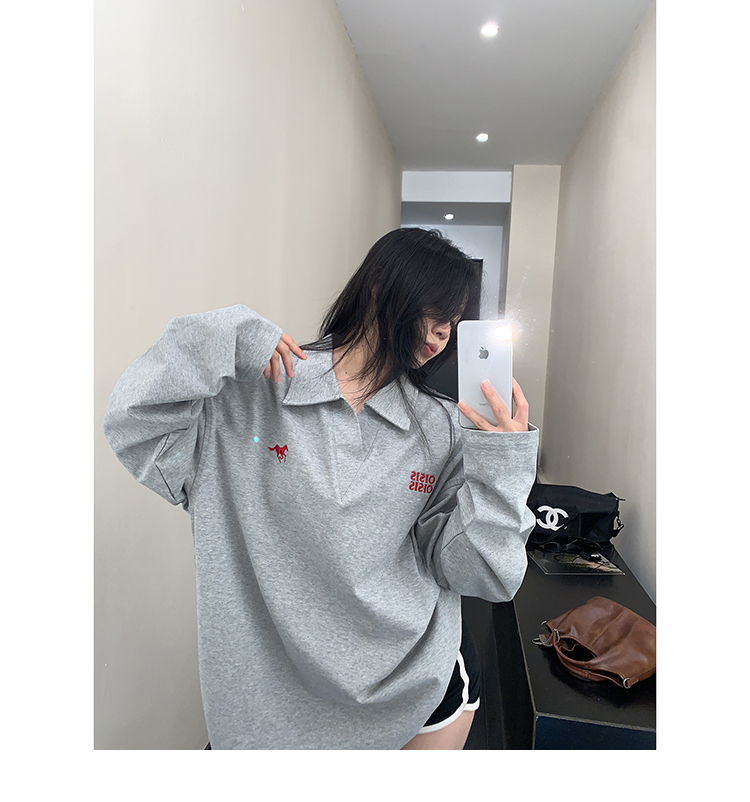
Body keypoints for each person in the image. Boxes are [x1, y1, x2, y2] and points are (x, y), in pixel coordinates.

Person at [103, 227, 539, 750]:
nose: (444, 333)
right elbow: (134, 423)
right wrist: (222, 335)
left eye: (454, 321)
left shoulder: (441, 427)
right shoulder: (250, 397)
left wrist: (502, 465)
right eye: (437, 311)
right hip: (266, 709)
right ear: (379, 285)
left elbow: (482, 573)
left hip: (417, 687)